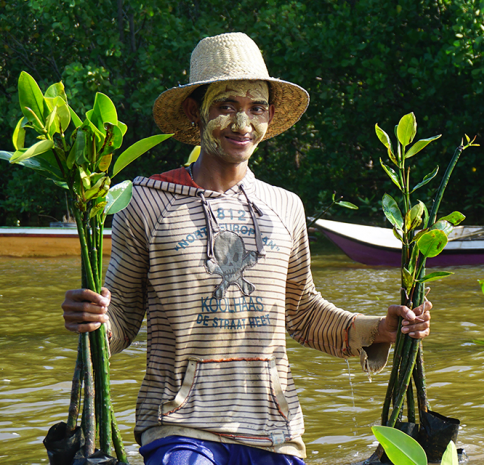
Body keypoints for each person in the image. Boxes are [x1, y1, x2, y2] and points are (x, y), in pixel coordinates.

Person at [61, 32, 431, 465]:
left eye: (257, 109)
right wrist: (94, 322)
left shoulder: (284, 205)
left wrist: (379, 330)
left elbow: (303, 313)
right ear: (194, 111)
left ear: (270, 118)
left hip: (275, 428)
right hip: (180, 425)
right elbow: (122, 317)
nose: (243, 124)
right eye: (226, 106)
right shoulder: (144, 199)